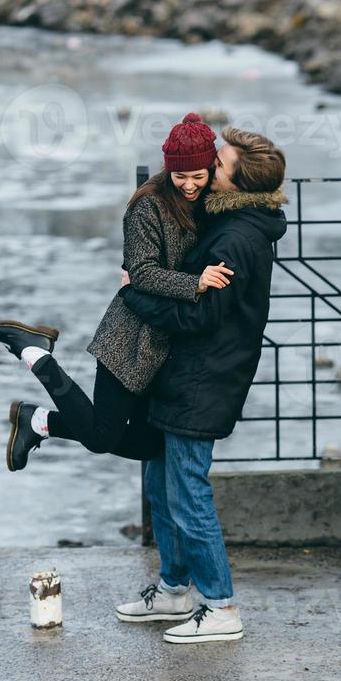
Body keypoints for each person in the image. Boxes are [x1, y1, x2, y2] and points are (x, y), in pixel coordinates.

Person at [115, 127, 288, 645]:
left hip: (205, 380)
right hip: (185, 376)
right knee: (160, 485)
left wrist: (133, 296)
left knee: (189, 492)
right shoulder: (227, 219)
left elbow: (201, 318)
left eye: (220, 163)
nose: (210, 167)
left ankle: (221, 605)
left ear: (235, 180)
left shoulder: (237, 238)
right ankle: (173, 588)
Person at [0, 113, 235, 470]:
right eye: (181, 177)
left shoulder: (208, 200)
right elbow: (141, 273)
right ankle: (35, 354)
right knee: (103, 436)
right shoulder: (147, 207)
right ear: (169, 172)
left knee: (149, 443)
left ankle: (37, 421)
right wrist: (194, 282)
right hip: (129, 338)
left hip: (163, 342)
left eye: (198, 176)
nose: (190, 185)